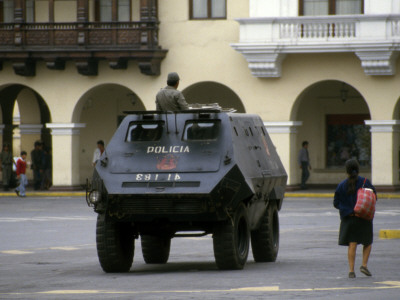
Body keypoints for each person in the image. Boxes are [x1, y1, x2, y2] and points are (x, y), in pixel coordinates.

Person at [333, 158, 377, 279]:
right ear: (358, 169)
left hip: (349, 219)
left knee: (352, 243)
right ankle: (364, 265)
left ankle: (351, 270)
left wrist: (347, 209)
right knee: (367, 242)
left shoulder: (342, 185)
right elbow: (374, 197)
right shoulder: (365, 182)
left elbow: (336, 203)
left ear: (346, 170)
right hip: (364, 217)